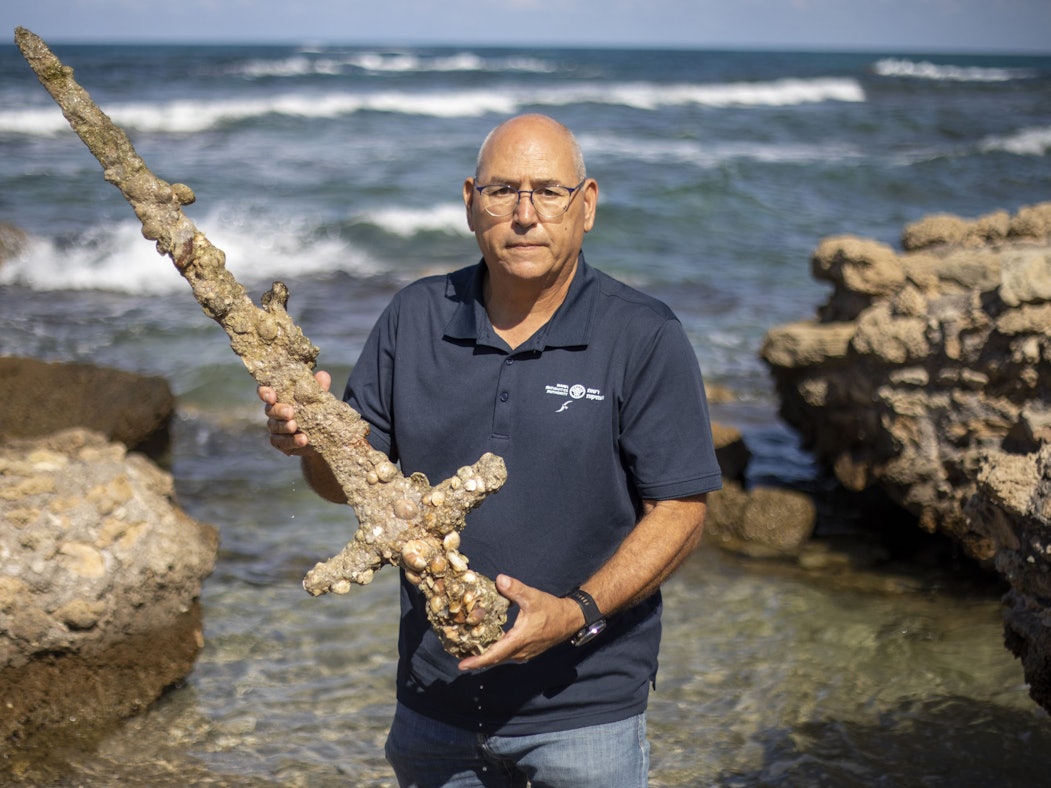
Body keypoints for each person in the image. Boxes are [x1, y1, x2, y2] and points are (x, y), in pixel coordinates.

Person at [260, 113, 722, 787]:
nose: (525, 214)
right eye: (503, 191)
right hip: (433, 709)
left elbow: (680, 509)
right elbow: (348, 485)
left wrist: (574, 613)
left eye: (548, 191)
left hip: (583, 711)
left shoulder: (642, 334)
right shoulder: (413, 318)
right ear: (470, 201)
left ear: (585, 204)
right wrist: (311, 442)